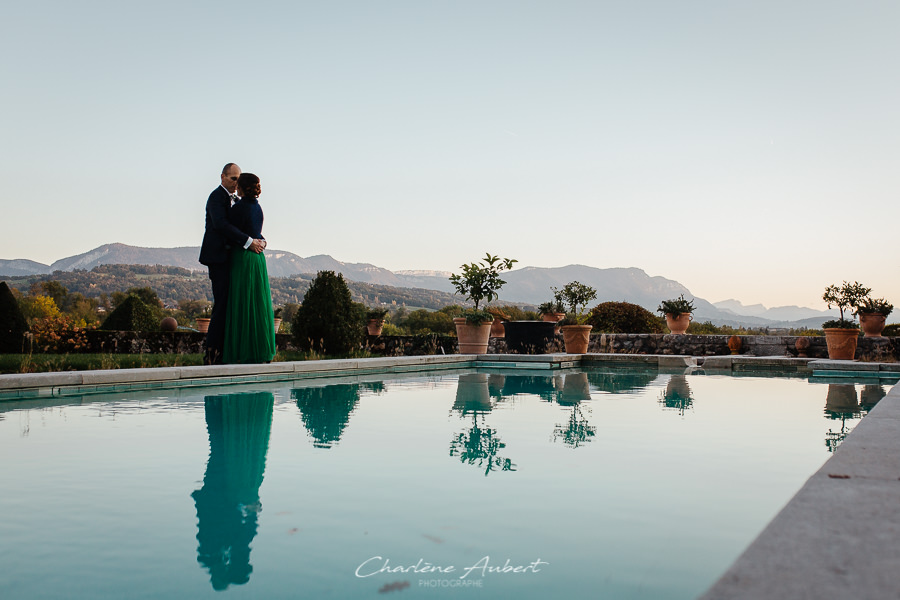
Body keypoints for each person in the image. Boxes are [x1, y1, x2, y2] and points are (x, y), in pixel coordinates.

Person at [199, 163, 266, 365]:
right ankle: (212, 355)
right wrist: (249, 242)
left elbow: (249, 225)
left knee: (233, 305)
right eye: (232, 179)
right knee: (221, 305)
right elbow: (221, 225)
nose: (236, 183)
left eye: (238, 179)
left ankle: (229, 350)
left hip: (234, 259)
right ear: (222, 177)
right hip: (218, 258)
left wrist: (261, 240)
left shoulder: (239, 202)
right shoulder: (216, 198)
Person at [223, 172, 276, 364]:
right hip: (258, 258)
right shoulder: (258, 208)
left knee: (243, 302)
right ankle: (260, 350)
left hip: (244, 257)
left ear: (241, 187)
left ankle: (241, 351)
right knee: (257, 304)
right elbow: (256, 232)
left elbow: (229, 231)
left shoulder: (238, 208)